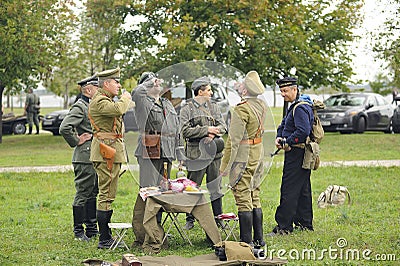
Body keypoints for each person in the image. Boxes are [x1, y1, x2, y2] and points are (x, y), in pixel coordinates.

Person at [131, 72, 183, 246]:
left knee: (160, 193)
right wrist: (148, 82)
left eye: (157, 80)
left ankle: (156, 230)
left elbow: (176, 130)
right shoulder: (143, 101)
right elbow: (136, 92)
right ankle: (144, 234)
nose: (157, 83)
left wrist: (180, 155)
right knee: (148, 192)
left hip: (166, 152)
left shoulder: (166, 102)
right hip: (149, 151)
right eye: (152, 82)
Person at [220, 71, 267, 247]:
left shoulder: (242, 108)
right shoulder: (261, 105)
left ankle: (246, 242)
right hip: (257, 154)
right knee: (255, 194)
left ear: (246, 91)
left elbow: (233, 141)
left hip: (243, 157)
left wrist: (225, 166)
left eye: (242, 85)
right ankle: (259, 240)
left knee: (242, 196)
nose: (239, 87)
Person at [88, 67, 133, 249]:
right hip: (105, 152)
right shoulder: (99, 101)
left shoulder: (105, 99)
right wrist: (126, 98)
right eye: (116, 82)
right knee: (106, 195)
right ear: (106, 83)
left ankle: (106, 236)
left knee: (109, 194)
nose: (119, 85)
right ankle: (104, 239)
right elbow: (119, 109)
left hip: (110, 151)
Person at [268, 76, 314, 236]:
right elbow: (283, 124)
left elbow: (303, 131)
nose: (283, 94)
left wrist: (287, 140)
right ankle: (305, 223)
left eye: (285, 90)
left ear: (295, 89)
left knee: (289, 189)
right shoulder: (294, 106)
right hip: (298, 152)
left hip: (297, 152)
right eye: (281, 91)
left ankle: (284, 226)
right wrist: (279, 136)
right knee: (302, 189)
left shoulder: (300, 108)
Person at [180, 76, 227, 230]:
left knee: (216, 188)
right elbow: (185, 130)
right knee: (193, 187)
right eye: (208, 90)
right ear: (200, 92)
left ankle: (218, 218)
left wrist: (213, 133)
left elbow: (223, 126)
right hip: (196, 154)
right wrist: (206, 130)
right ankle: (190, 218)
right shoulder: (187, 108)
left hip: (214, 154)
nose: (211, 93)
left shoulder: (214, 107)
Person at [59, 75, 99, 241]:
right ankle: (78, 232)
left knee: (93, 192)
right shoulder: (80, 106)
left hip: (93, 156)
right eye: (97, 88)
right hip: (84, 157)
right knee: (83, 193)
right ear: (88, 90)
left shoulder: (90, 105)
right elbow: (64, 127)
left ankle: (91, 228)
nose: (100, 91)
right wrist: (77, 140)